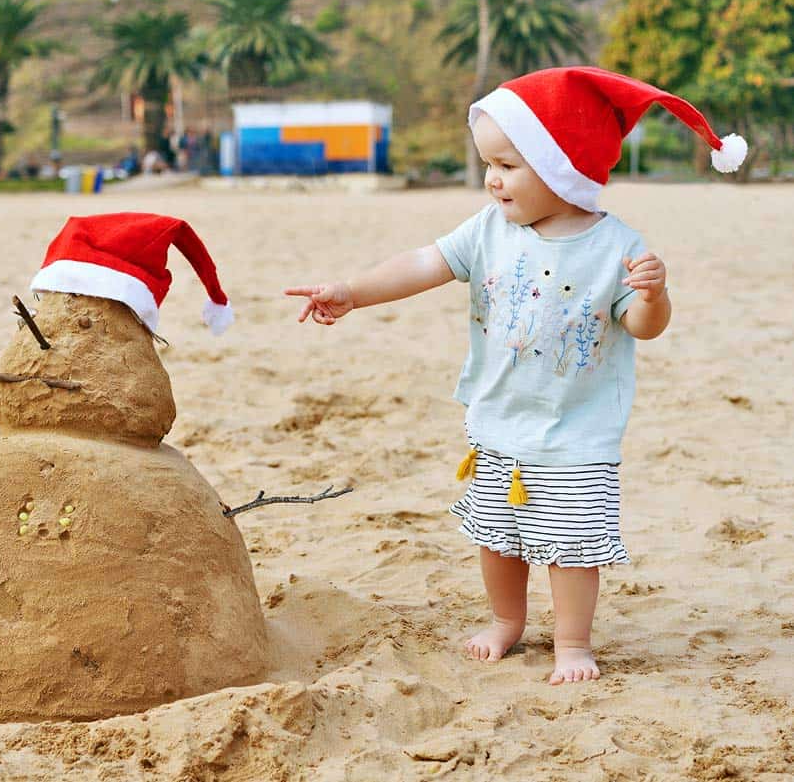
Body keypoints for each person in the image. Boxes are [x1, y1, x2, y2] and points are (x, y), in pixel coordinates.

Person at [284, 67, 747, 685]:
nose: (492, 178)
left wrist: (654, 297)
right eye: (488, 163)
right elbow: (426, 263)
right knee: (498, 538)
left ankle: (573, 642)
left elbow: (641, 326)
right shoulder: (489, 230)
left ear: (563, 165)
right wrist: (354, 292)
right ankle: (506, 621)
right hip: (500, 420)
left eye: (509, 164)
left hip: (576, 431)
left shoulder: (618, 247)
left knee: (572, 545)